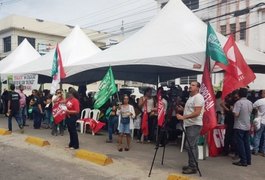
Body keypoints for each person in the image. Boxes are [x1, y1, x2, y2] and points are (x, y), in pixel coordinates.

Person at [176, 81, 204, 174]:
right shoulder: (191, 97)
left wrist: (183, 117)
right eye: (190, 85)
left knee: (190, 146)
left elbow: (197, 112)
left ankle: (193, 167)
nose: (190, 86)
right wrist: (183, 110)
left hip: (194, 124)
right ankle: (192, 164)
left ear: (197, 88)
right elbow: (190, 110)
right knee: (192, 146)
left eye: (193, 85)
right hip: (189, 124)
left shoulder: (198, 97)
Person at [232, 88, 253, 166]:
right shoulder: (250, 102)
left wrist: (232, 110)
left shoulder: (238, 103)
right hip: (247, 125)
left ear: (239, 94)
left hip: (239, 125)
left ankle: (243, 161)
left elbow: (236, 114)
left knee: (240, 144)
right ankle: (248, 160)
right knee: (246, 143)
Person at [252, 90, 265, 156]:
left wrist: (257, 110)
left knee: (257, 136)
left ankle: (255, 150)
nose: (260, 94)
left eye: (262, 93)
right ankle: (263, 151)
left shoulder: (260, 101)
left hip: (261, 121)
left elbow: (253, 106)